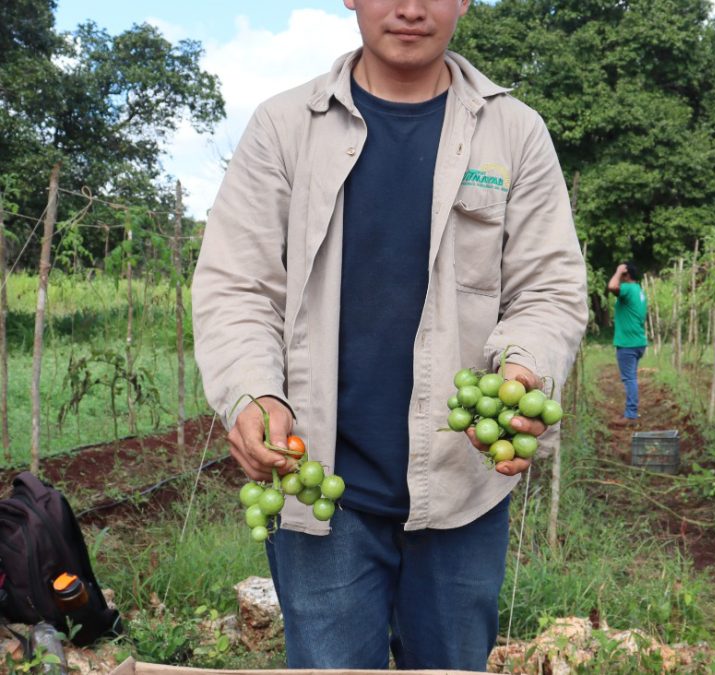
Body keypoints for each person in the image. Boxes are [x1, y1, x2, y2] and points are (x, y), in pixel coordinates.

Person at [191, 0, 588, 670]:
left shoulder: (514, 134)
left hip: (463, 489)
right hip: (320, 487)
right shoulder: (285, 128)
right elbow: (238, 285)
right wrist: (255, 393)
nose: (409, 8)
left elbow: (548, 288)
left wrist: (523, 367)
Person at [606, 262, 648, 426]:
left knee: (629, 379)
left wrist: (618, 271)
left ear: (626, 274)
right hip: (638, 342)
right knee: (632, 378)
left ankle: (631, 415)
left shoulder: (628, 289)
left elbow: (612, 286)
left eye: (622, 273)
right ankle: (631, 412)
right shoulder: (639, 291)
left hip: (628, 343)